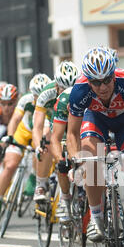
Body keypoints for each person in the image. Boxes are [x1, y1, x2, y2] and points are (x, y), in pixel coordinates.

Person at [67, 46, 124, 247]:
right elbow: (72, 134)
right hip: (96, 120)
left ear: (114, 75)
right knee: (90, 160)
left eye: (107, 80)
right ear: (88, 80)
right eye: (96, 82)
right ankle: (96, 219)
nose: (102, 86)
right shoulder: (79, 91)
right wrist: (76, 159)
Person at [0, 73, 51, 223]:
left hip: (41, 130)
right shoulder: (25, 100)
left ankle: (33, 175)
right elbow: (15, 120)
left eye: (41, 94)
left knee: (41, 150)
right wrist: (10, 137)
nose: (38, 98)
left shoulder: (51, 102)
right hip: (23, 131)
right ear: (31, 92)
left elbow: (48, 129)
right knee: (10, 165)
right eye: (35, 95)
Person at [32, 61, 79, 202]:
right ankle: (41, 184)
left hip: (72, 116)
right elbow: (37, 126)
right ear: (57, 85)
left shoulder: (83, 90)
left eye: (72, 88)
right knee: (46, 142)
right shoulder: (46, 93)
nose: (67, 92)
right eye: (63, 88)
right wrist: (38, 146)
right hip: (51, 118)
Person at [50, 75, 79, 221]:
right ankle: (65, 199)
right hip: (64, 130)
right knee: (63, 161)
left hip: (84, 129)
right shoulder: (62, 100)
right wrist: (60, 158)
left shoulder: (91, 95)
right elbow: (55, 137)